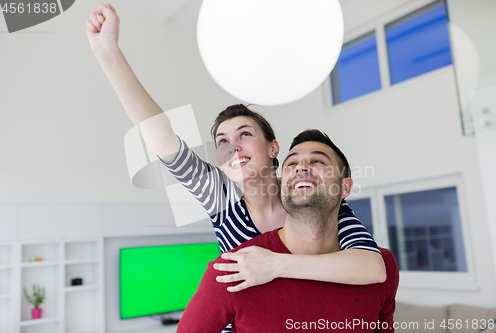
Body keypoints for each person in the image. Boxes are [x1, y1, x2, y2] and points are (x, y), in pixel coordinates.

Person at [86, 4, 386, 332]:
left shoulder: (308, 199)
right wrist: (107, 52)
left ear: (274, 148)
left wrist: (275, 265)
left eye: (245, 134)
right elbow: (162, 139)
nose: (234, 147)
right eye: (223, 142)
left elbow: (372, 268)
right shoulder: (221, 198)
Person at [177, 130, 400, 333]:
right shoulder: (236, 268)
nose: (301, 167)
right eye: (291, 164)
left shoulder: (383, 265)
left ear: (345, 187)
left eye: (317, 161)